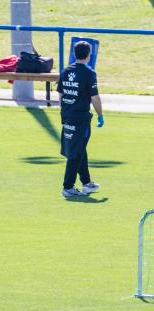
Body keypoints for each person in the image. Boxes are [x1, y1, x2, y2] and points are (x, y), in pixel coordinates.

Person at [57, 40, 104, 198]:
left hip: (68, 116)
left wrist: (65, 112)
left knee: (80, 148)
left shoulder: (65, 71)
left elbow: (61, 95)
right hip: (81, 118)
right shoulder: (89, 73)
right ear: (89, 55)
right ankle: (68, 187)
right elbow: (95, 98)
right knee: (75, 152)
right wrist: (100, 115)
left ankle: (86, 182)